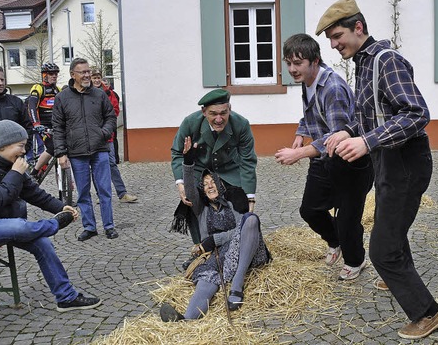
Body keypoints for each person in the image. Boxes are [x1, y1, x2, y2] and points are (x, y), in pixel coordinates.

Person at [316, 0, 438, 339]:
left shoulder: (386, 61)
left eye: (337, 34)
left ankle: (428, 312)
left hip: (406, 162)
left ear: (359, 28)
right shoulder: (363, 63)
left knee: (382, 248)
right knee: (393, 233)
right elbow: (375, 117)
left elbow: (417, 114)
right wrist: (349, 131)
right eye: (329, 38)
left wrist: (367, 142)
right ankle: (398, 276)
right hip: (389, 162)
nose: (333, 44)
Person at [0, 120, 101, 312]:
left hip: (4, 222)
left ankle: (66, 298)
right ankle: (53, 226)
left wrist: (62, 207)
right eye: (20, 146)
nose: (24, 151)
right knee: (20, 226)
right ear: (4, 144)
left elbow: (34, 193)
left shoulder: (13, 163)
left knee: (43, 243)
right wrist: (15, 173)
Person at [274, 33, 373, 280]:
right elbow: (311, 115)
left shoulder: (334, 89)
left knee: (347, 218)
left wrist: (297, 153)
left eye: (298, 63)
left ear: (314, 61)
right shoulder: (307, 81)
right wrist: (301, 131)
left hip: (349, 161)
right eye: (288, 63)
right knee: (309, 209)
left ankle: (356, 260)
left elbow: (335, 138)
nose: (292, 69)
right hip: (324, 161)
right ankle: (335, 241)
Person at [160, 137, 270, 321]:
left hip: (244, 252)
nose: (209, 185)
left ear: (219, 184)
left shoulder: (232, 202)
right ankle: (186, 320)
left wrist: (214, 240)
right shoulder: (200, 209)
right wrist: (188, 162)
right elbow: (189, 189)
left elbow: (244, 230)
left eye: (212, 181)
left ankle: (237, 285)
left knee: (251, 219)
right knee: (206, 281)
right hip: (216, 257)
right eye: (205, 183)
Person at [170, 89, 257, 244]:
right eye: (213, 114)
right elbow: (177, 153)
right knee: (191, 201)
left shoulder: (241, 124)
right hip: (199, 170)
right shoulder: (190, 123)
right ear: (204, 112)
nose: (219, 119)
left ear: (229, 109)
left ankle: (237, 244)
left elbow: (247, 161)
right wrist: (181, 184)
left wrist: (249, 198)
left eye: (223, 113)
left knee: (240, 205)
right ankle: (202, 247)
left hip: (229, 171)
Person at [52, 58, 118, 241]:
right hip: (76, 152)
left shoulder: (99, 95)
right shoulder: (62, 98)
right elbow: (57, 127)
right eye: (83, 72)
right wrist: (61, 153)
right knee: (83, 192)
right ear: (73, 75)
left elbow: (111, 117)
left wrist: (103, 133)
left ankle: (109, 226)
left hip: (100, 150)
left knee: (104, 190)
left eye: (88, 71)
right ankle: (89, 227)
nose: (88, 75)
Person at [91, 69, 138, 203]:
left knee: (111, 164)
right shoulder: (86, 93)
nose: (96, 80)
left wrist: (105, 127)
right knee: (95, 166)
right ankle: (101, 195)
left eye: (98, 77)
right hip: (92, 137)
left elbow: (114, 111)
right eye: (94, 77)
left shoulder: (109, 93)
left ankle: (122, 193)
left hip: (107, 136)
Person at [27, 63, 61, 176]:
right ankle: (35, 172)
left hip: (56, 125)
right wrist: (36, 124)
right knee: (52, 146)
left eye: (56, 74)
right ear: (44, 75)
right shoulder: (38, 88)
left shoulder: (58, 90)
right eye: (51, 74)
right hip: (42, 126)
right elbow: (31, 107)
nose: (54, 76)